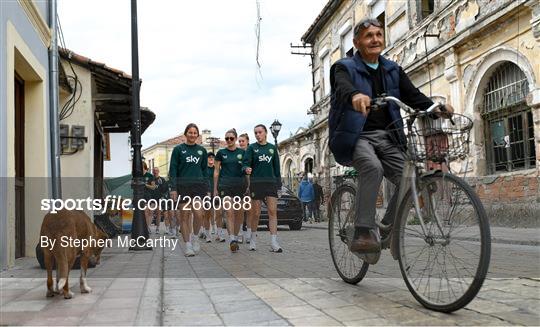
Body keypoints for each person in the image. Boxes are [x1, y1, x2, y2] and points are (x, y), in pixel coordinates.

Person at [328, 18, 454, 254]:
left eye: (378, 34)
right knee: (372, 168)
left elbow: (412, 95)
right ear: (356, 42)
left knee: (412, 180)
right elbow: (342, 86)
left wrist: (435, 107)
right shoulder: (343, 67)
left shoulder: (393, 69)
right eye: (368, 36)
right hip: (356, 136)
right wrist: (354, 95)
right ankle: (363, 230)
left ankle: (386, 226)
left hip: (389, 137)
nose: (375, 39)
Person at [169, 123, 208, 257]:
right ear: (185, 134)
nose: (192, 135)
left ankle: (195, 237)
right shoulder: (178, 150)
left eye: (194, 133)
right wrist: (173, 188)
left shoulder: (202, 151)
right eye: (190, 132)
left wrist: (206, 189)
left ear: (197, 135)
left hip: (198, 187)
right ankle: (187, 245)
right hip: (182, 187)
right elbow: (173, 170)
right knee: (184, 216)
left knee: (198, 214)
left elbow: (205, 171)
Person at [243, 124, 283, 252]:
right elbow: (245, 164)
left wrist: (279, 186)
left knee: (272, 211)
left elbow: (277, 169)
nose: (258, 134)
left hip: (270, 183)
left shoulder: (272, 148)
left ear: (265, 133)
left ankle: (273, 242)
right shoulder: (251, 148)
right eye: (256, 133)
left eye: (260, 132)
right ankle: (253, 240)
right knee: (256, 213)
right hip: (256, 183)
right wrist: (246, 168)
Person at [214, 129, 246, 252]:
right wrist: (215, 188)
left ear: (236, 139)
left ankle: (236, 236)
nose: (228, 140)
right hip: (225, 185)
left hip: (239, 186)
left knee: (239, 213)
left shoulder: (242, 153)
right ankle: (232, 238)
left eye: (231, 138)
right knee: (229, 211)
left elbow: (247, 171)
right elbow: (216, 172)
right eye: (226, 138)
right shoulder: (221, 153)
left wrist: (248, 185)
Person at [238, 133, 251, 243]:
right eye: (240, 141)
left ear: (247, 141)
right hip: (240, 184)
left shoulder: (251, 152)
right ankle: (241, 231)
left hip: (252, 183)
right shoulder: (238, 154)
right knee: (241, 209)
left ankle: (249, 233)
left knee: (250, 210)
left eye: (243, 141)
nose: (241, 143)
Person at [151, 167, 168, 234]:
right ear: (153, 172)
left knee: (158, 213)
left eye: (156, 170)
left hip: (159, 199)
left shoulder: (162, 179)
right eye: (154, 171)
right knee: (150, 212)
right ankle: (148, 227)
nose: (155, 172)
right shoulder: (150, 179)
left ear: (158, 171)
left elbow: (165, 189)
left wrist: (162, 196)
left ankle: (157, 228)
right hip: (152, 199)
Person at [143, 162, 157, 234]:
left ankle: (147, 227)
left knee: (150, 212)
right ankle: (145, 227)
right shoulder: (137, 176)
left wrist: (146, 185)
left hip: (149, 196)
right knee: (145, 212)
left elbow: (153, 187)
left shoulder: (150, 175)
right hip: (140, 196)